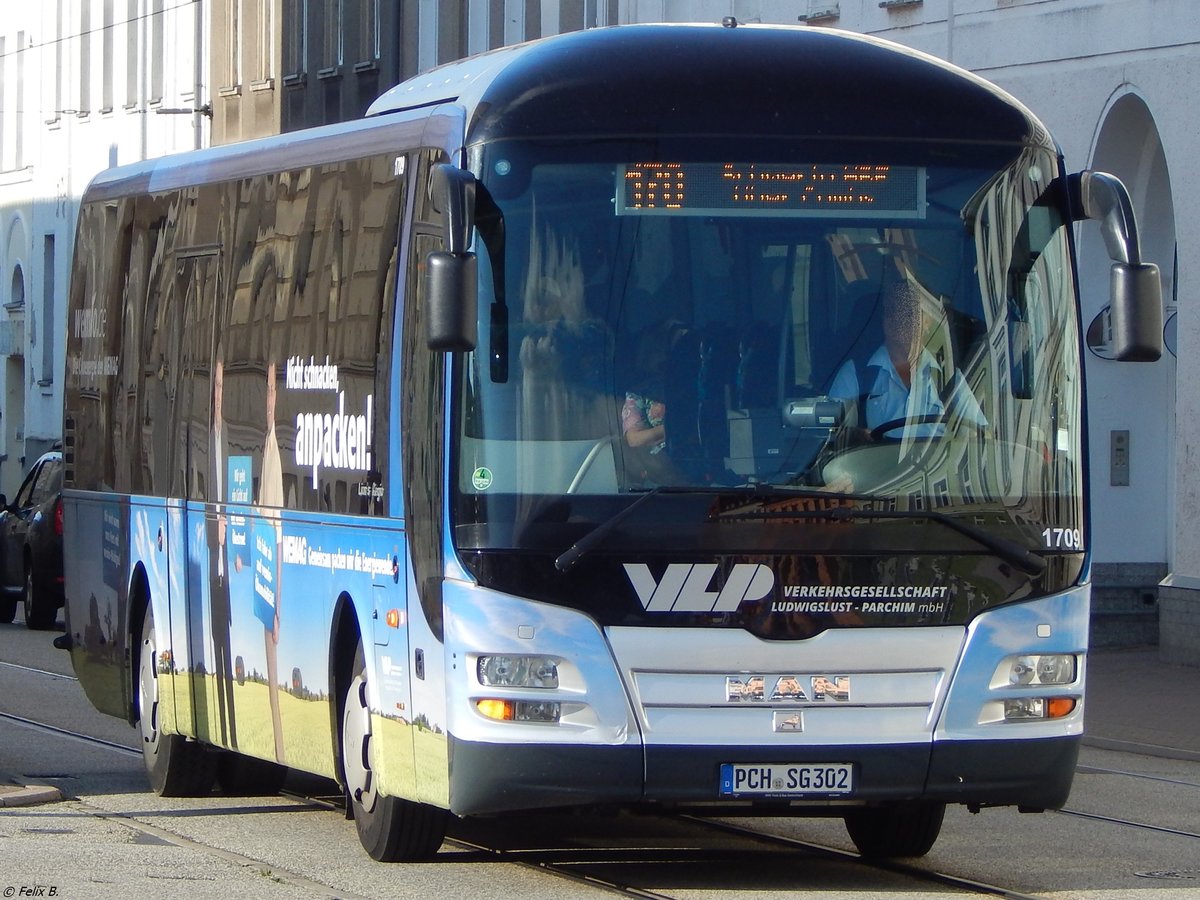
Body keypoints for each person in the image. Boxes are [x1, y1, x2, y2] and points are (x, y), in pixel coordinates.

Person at [827, 281, 985, 439]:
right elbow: (829, 433)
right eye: (891, 311)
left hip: (938, 463)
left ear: (928, 321)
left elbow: (979, 434)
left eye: (910, 313)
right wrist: (853, 436)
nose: (898, 320)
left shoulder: (948, 376)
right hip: (873, 462)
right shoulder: (855, 373)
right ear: (884, 320)